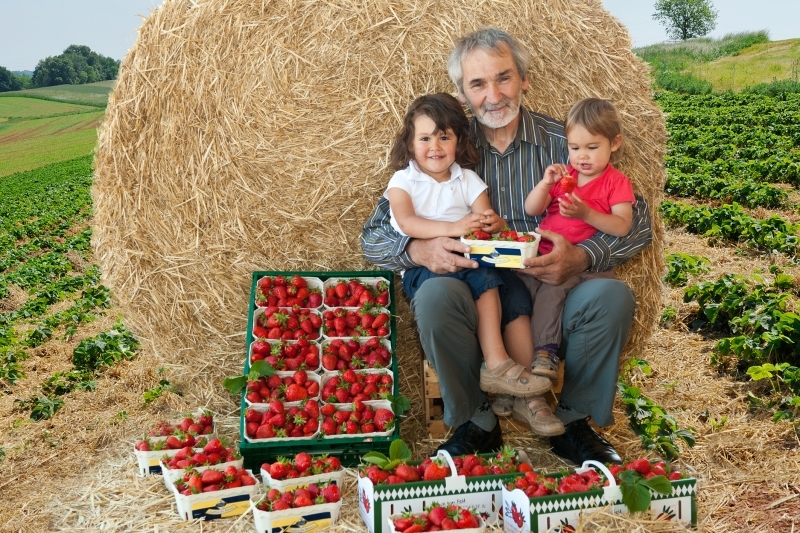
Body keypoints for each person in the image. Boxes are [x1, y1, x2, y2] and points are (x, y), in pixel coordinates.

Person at [361, 28, 653, 465]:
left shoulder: (568, 142)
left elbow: (639, 223)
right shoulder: (445, 149)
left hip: (555, 284)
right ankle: (475, 422)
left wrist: (583, 256)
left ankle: (574, 421)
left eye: (504, 78)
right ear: (463, 92)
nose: (493, 95)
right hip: (477, 285)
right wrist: (420, 252)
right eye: (478, 84)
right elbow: (374, 237)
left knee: (611, 294)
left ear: (524, 80)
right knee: (436, 292)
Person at [384, 93, 562, 435]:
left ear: (458, 141)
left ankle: (526, 391)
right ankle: (496, 363)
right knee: (484, 279)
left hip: (474, 258)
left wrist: (494, 225)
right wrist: (453, 228)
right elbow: (407, 222)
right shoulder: (403, 181)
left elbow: (484, 218)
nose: (434, 146)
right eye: (424, 138)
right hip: (428, 268)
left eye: (444, 136)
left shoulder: (466, 179)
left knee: (515, 295)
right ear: (409, 143)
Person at [490, 98, 635, 416]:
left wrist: (587, 212)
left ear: (615, 144)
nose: (582, 156)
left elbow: (622, 225)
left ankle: (545, 353)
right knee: (511, 300)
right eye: (575, 147)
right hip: (539, 259)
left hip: (574, 270)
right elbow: (532, 209)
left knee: (551, 296)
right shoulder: (565, 177)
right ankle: (512, 384)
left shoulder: (616, 183)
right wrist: (545, 184)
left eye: (592, 148)